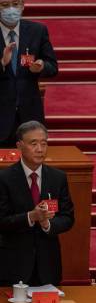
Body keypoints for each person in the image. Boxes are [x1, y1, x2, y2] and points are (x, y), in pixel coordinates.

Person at [0, 121, 74, 286]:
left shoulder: (58, 178)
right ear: (19, 146)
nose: (40, 149)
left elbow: (68, 218)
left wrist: (47, 223)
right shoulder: (4, 179)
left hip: (48, 266)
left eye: (44, 143)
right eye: (34, 144)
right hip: (12, 265)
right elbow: (2, 220)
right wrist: (30, 217)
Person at [0, 0, 57, 148]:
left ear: (23, 5)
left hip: (29, 115)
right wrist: (2, 63)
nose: (11, 9)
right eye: (5, 5)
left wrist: (41, 67)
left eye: (15, 4)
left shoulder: (37, 31)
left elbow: (53, 66)